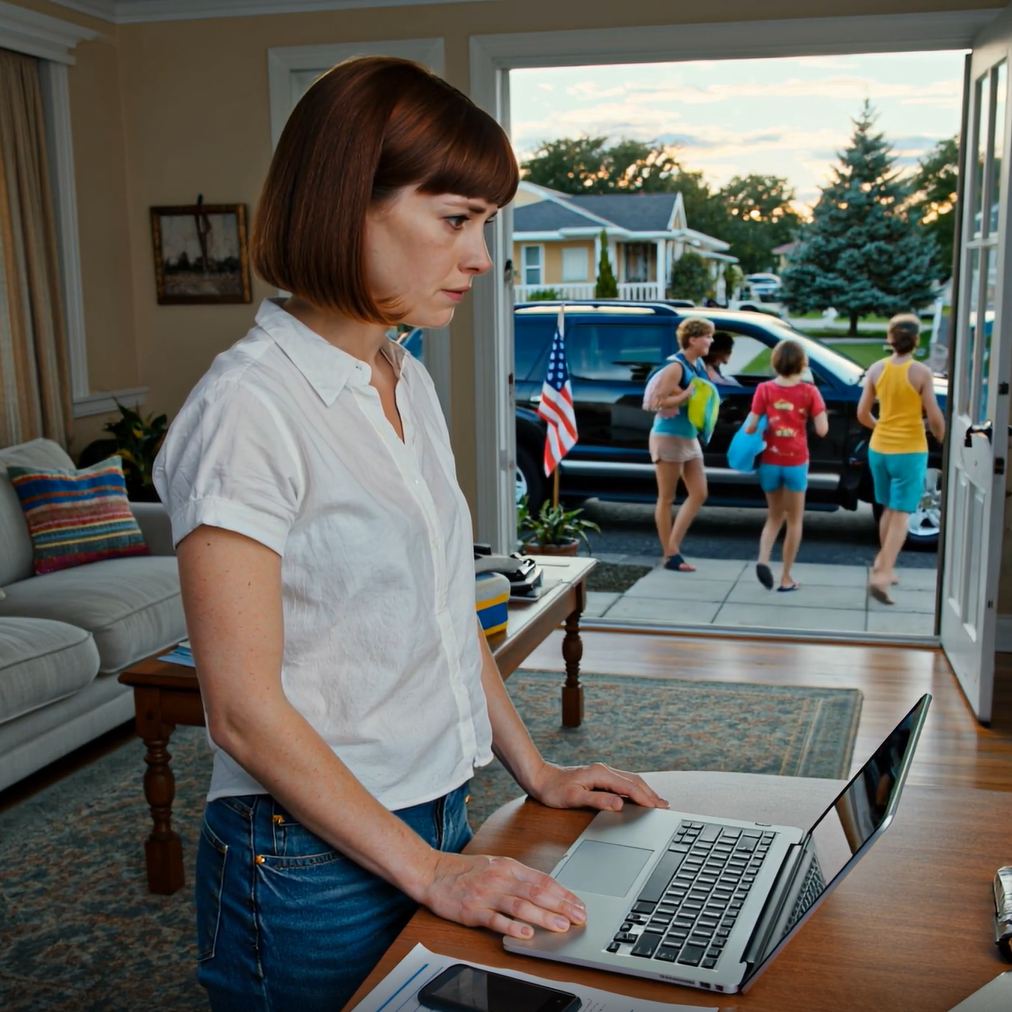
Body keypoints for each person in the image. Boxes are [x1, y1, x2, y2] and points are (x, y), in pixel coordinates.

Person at [152, 57, 667, 1012]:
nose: (481, 256)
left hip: (435, 802)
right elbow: (242, 713)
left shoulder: (406, 376)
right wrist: (430, 874)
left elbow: (445, 613)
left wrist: (537, 771)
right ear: (349, 203)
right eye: (456, 219)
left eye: (486, 224)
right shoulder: (247, 410)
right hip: (301, 851)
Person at [857, 313, 946, 604]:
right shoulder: (920, 372)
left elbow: (863, 413)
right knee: (902, 512)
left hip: (879, 449)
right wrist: (941, 437)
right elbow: (934, 416)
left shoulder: (876, 369)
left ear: (891, 339)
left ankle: (885, 565)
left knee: (887, 509)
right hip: (909, 450)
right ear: (916, 341)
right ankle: (882, 577)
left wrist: (881, 426)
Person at [744, 340, 828, 592]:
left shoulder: (764, 389)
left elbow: (750, 426)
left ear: (775, 362)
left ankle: (762, 560)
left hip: (770, 461)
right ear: (803, 364)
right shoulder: (810, 391)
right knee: (794, 520)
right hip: (795, 462)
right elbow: (823, 430)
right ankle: (786, 577)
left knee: (773, 516)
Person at [647, 317, 714, 572]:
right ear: (693, 339)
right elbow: (658, 402)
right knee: (667, 498)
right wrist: (688, 395)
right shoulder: (675, 367)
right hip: (668, 436)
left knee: (699, 492)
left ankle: (672, 547)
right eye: (707, 336)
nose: (711, 340)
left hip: (688, 436)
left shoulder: (698, 365)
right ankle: (671, 556)